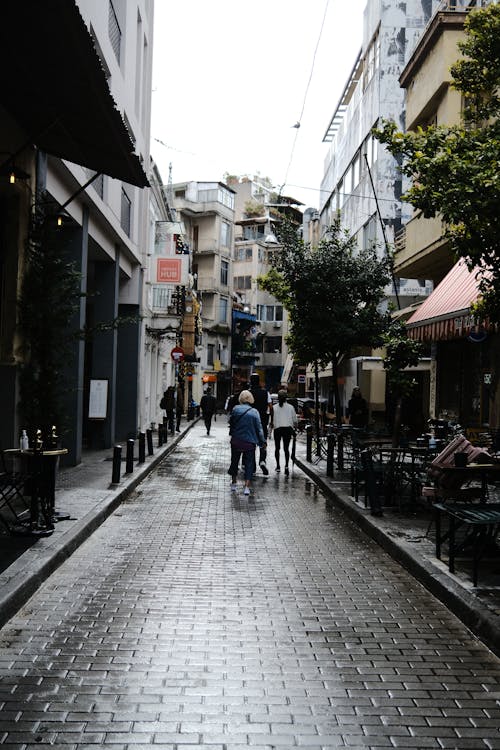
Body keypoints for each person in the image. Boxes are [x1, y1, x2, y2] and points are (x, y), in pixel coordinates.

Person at [228, 390, 266, 496]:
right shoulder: (254, 412)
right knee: (249, 463)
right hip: (249, 442)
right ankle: (246, 486)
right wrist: (262, 441)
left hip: (236, 440)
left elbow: (230, 422)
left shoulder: (235, 409)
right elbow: (259, 429)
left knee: (234, 461)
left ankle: (234, 483)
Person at [249, 373, 272, 475]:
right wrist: (272, 420)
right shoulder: (265, 393)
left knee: (251, 445)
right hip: (262, 422)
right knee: (262, 443)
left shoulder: (248, 393)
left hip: (250, 423)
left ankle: (252, 465)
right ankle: (262, 461)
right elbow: (271, 407)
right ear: (259, 381)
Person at [271, 390, 298, 474]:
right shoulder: (291, 407)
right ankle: (286, 466)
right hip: (287, 429)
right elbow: (295, 421)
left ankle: (278, 466)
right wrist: (295, 428)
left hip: (277, 429)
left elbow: (271, 422)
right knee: (286, 449)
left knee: (277, 448)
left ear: (278, 398)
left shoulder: (274, 407)